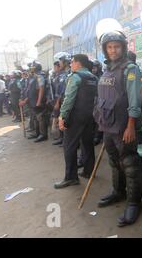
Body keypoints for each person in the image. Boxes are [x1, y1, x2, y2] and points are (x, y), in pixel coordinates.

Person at [93, 20, 142, 227]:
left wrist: (131, 125)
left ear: (123, 48)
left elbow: (134, 100)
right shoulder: (107, 70)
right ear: (105, 50)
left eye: (117, 46)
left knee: (130, 164)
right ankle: (118, 191)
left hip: (124, 126)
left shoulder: (130, 69)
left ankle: (134, 203)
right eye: (110, 47)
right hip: (107, 125)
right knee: (114, 161)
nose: (113, 50)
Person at [54, 54, 98, 189]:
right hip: (90, 116)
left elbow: (69, 98)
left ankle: (71, 177)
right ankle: (89, 171)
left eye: (72, 62)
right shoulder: (94, 78)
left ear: (78, 63)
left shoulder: (75, 77)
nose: (71, 64)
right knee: (87, 144)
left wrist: (62, 116)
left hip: (75, 117)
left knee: (69, 146)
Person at [20, 61, 48, 143]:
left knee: (40, 118)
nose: (30, 69)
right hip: (32, 101)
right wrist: (25, 100)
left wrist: (39, 101)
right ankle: (37, 133)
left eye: (32, 67)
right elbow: (29, 90)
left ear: (36, 68)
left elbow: (41, 89)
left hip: (38, 101)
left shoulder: (39, 76)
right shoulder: (32, 77)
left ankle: (43, 135)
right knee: (35, 118)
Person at [52, 52, 72, 146]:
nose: (59, 63)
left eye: (60, 61)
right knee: (61, 119)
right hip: (60, 100)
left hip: (65, 101)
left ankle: (67, 141)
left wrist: (58, 102)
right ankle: (62, 138)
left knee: (65, 120)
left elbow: (64, 90)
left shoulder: (69, 73)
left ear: (65, 61)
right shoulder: (61, 74)